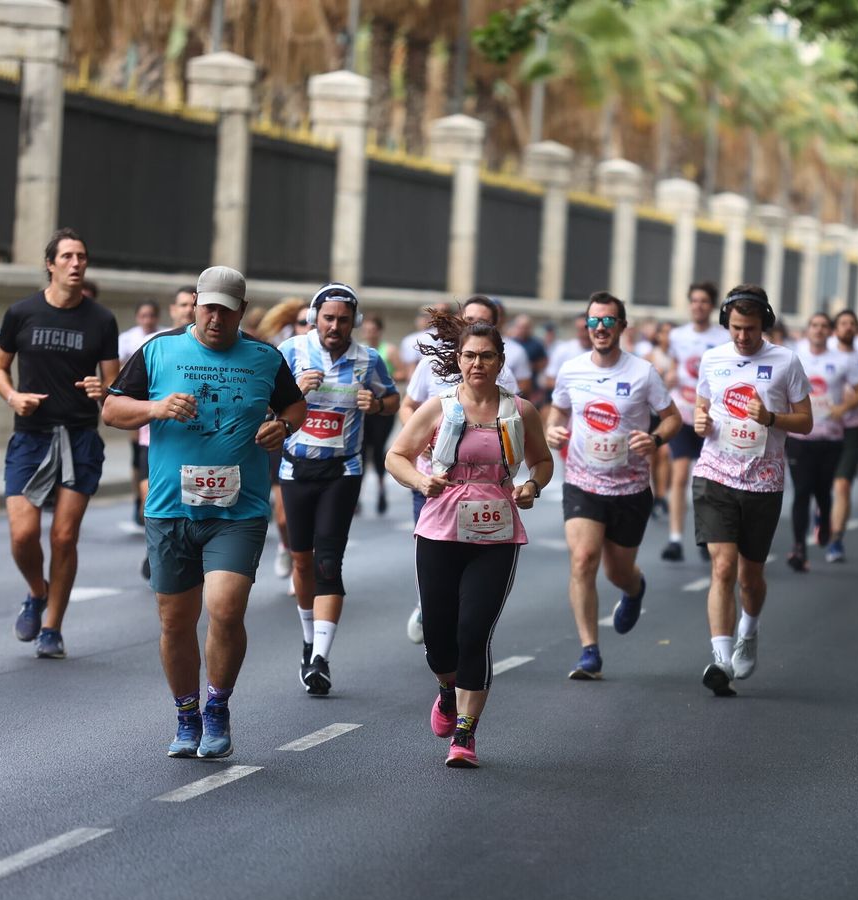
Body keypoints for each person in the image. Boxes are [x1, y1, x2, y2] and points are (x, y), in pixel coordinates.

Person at [105, 266, 307, 760]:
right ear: (195, 304)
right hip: (170, 508)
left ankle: (218, 705)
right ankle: (186, 713)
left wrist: (282, 426)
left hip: (238, 510)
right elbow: (112, 411)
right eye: (208, 307)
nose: (215, 318)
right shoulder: (158, 349)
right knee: (175, 622)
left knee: (225, 608)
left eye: (226, 309)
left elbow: (296, 408)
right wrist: (155, 408)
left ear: (241, 311)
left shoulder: (264, 357)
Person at [386, 309, 554, 767]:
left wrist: (531, 486)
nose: (477, 364)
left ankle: (465, 734)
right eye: (469, 356)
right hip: (440, 529)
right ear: (457, 360)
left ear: (501, 362)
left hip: (495, 532)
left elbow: (542, 462)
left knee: (474, 632)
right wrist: (421, 483)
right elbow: (396, 456)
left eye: (486, 356)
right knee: (440, 639)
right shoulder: (439, 407)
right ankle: (446, 689)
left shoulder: (519, 411)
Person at [0, 227, 121, 658]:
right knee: (23, 533)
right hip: (31, 437)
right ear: (50, 264)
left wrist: (101, 389)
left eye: (81, 256)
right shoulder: (22, 313)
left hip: (80, 437)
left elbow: (114, 383)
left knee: (64, 537)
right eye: (66, 256)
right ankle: (36, 590)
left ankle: (52, 627)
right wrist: (12, 396)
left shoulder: (101, 320)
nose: (75, 263)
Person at [544, 292, 680, 678]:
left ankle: (634, 589)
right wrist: (555, 428)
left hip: (630, 488)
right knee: (583, 559)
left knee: (617, 572)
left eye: (608, 321)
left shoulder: (643, 372)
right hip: (583, 482)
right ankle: (590, 651)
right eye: (594, 322)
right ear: (586, 327)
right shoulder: (571, 369)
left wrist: (654, 440)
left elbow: (673, 419)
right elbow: (559, 408)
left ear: (622, 326)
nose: (600, 328)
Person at [278, 283, 399, 695]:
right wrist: (296, 391)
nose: (335, 326)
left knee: (328, 562)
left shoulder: (369, 359)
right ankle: (308, 638)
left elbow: (394, 398)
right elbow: (262, 401)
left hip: (343, 471)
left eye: (343, 320)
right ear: (315, 318)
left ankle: (320, 660)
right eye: (328, 318)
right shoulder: (291, 351)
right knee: (301, 563)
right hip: (295, 469)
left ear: (355, 323)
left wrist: (377, 405)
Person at [692, 285, 813, 695]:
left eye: (751, 329)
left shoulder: (785, 362)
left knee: (750, 577)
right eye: (737, 328)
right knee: (722, 567)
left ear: (765, 325)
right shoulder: (713, 358)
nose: (743, 337)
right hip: (715, 474)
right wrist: (700, 422)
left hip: (764, 481)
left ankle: (749, 627)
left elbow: (806, 422)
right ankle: (721, 659)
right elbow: (702, 404)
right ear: (727, 323)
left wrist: (772, 417)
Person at [661, 282, 730, 562]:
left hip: (711, 418)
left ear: (711, 306)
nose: (698, 305)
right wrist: (670, 377)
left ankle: (706, 534)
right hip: (683, 414)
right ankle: (675, 539)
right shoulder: (677, 335)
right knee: (679, 476)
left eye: (704, 301)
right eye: (694, 300)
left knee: (709, 481)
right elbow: (674, 367)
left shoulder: (724, 337)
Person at [784, 311, 848, 571]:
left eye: (824, 326)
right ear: (808, 329)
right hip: (799, 436)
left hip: (830, 436)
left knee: (823, 491)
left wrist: (844, 408)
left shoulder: (842, 360)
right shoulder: (792, 355)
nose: (819, 330)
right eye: (814, 325)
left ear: (830, 331)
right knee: (801, 491)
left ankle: (823, 520)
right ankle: (799, 547)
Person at [822, 310, 858, 563]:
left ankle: (836, 540)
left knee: (843, 484)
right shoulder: (823, 353)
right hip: (823, 429)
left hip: (852, 428)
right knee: (822, 485)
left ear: (857, 329)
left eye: (852, 324)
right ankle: (821, 515)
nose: (848, 327)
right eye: (843, 323)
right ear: (835, 328)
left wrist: (851, 408)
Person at [119, 301, 161, 529]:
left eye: (151, 315)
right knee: (137, 456)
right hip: (139, 410)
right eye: (143, 315)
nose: (147, 320)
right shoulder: (128, 339)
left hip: (159, 418)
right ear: (137, 317)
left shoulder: (163, 338)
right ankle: (139, 499)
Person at [360, 314, 397, 516]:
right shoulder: (360, 351)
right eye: (366, 329)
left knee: (378, 449)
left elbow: (403, 372)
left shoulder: (388, 350)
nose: (369, 333)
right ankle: (359, 495)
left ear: (379, 331)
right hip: (365, 406)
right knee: (363, 450)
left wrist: (385, 377)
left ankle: (382, 491)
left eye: (373, 329)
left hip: (383, 406)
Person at [462, 295, 532, 393]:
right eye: (469, 319)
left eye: (482, 322)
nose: (474, 326)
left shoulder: (505, 374)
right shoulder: (436, 360)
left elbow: (523, 388)